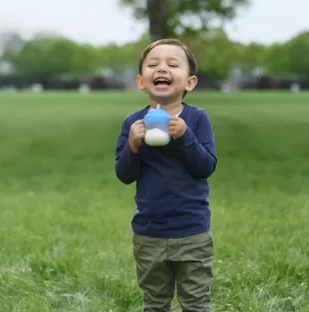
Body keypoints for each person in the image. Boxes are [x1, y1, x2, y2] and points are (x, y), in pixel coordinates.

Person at [114, 38, 218, 311]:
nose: (162, 68)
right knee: (155, 302)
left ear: (190, 83)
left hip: (192, 231)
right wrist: (133, 146)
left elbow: (206, 166)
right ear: (141, 81)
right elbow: (124, 175)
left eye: (173, 64)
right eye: (153, 64)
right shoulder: (132, 123)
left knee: (196, 302)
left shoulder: (197, 119)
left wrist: (185, 136)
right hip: (150, 232)